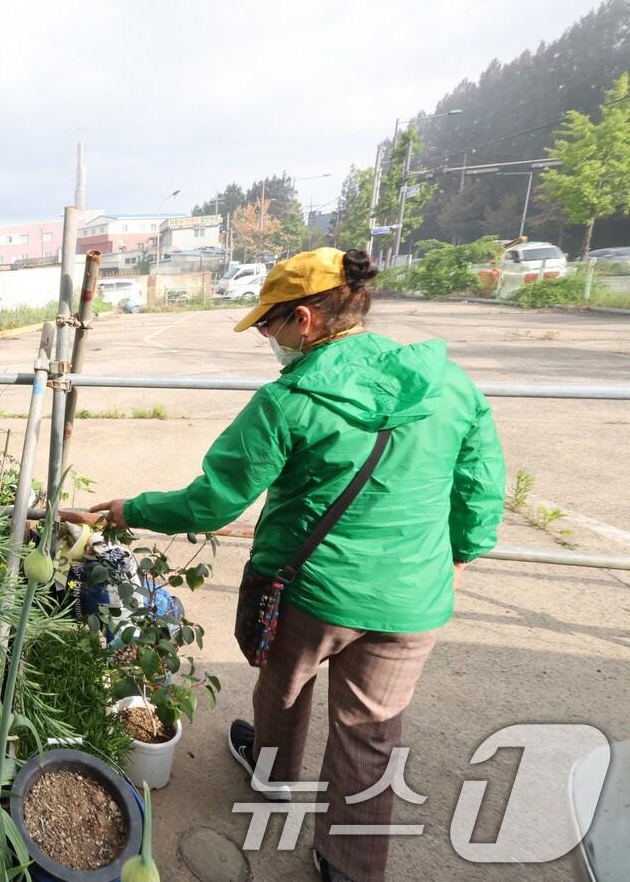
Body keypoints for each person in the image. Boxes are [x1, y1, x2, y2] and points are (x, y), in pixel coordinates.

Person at [86, 247, 505, 882]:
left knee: (283, 687)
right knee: (370, 732)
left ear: (304, 320)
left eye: (268, 324)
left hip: (313, 591)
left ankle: (275, 774)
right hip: (414, 597)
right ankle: (349, 867)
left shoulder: (289, 401)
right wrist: (464, 553)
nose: (267, 338)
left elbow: (214, 501)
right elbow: (479, 483)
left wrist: (130, 509)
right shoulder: (449, 384)